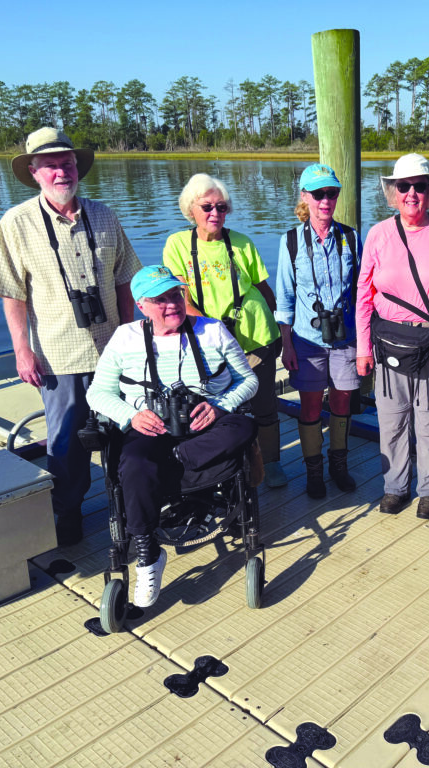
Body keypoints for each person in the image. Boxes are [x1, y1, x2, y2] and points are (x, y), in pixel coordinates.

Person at [0, 127, 142, 547]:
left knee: (124, 435)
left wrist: (132, 337)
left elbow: (127, 280)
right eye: (51, 165)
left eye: (67, 163)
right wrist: (22, 350)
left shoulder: (105, 215)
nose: (61, 172)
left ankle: (129, 507)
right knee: (66, 444)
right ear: (34, 172)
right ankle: (67, 514)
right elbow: (12, 293)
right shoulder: (16, 223)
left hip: (114, 352)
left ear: (78, 168)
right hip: (58, 356)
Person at [86, 266, 258, 608]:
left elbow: (248, 381)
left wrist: (220, 407)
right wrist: (131, 416)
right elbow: (97, 394)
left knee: (245, 426)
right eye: (160, 299)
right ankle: (148, 556)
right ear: (141, 305)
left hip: (203, 424)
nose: (172, 305)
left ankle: (175, 462)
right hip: (152, 427)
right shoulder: (125, 338)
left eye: (176, 295)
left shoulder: (213, 330)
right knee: (132, 460)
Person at [355, 154, 429, 519]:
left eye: (420, 186)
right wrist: (362, 348)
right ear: (393, 192)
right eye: (403, 186)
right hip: (389, 343)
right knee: (391, 419)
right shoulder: (378, 234)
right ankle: (395, 487)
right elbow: (363, 294)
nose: (411, 193)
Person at [163, 174, 286, 488]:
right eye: (206, 206)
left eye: (221, 207)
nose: (214, 213)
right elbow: (182, 300)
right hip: (209, 343)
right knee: (217, 404)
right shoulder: (177, 245)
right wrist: (214, 333)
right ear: (191, 209)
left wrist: (279, 333)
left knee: (263, 403)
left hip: (256, 335)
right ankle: (226, 464)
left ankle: (270, 463)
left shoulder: (242, 242)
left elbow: (263, 289)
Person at [275, 163, 361, 499]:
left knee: (342, 402)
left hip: (346, 338)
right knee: (310, 407)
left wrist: (365, 342)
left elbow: (363, 293)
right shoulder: (291, 241)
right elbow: (284, 295)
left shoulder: (351, 237)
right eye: (318, 193)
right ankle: (313, 471)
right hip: (306, 340)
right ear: (305, 197)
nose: (326, 200)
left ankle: (338, 465)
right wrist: (287, 344)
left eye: (332, 193)